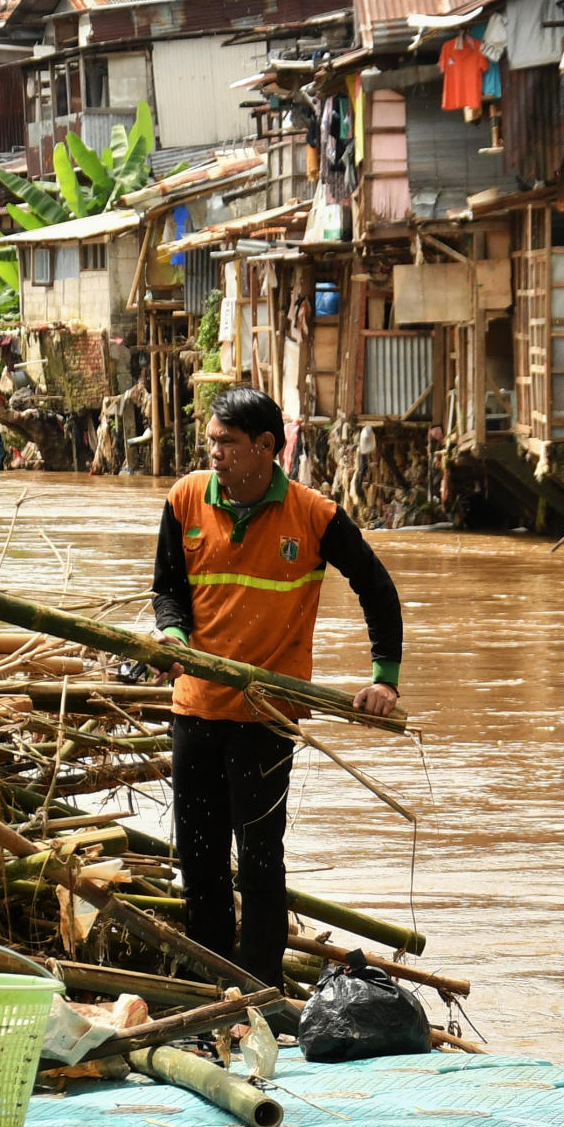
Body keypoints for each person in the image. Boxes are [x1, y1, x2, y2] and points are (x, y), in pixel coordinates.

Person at [150, 388, 401, 989]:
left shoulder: (313, 515)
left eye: (228, 444)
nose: (215, 453)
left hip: (266, 719)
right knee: (200, 862)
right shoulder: (185, 499)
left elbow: (378, 590)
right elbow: (167, 590)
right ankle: (209, 988)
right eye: (211, 441)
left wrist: (382, 681)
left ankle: (258, 991)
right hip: (197, 711)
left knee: (260, 863)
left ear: (267, 447)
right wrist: (173, 636)